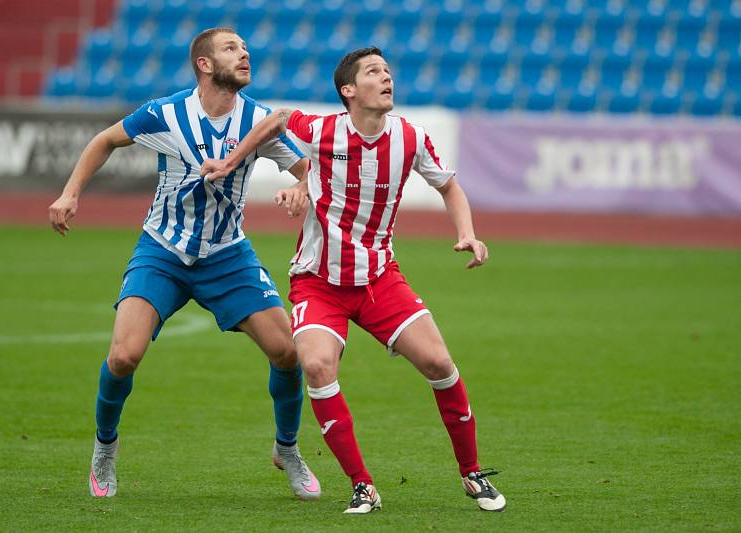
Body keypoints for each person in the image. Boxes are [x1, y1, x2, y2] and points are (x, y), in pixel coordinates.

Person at [199, 47, 506, 514]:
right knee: (318, 367)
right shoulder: (322, 130)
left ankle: (471, 473)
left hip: (380, 280)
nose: (386, 78)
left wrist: (467, 232)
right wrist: (231, 161)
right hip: (318, 282)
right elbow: (277, 118)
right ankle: (362, 485)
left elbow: (448, 185)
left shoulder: (410, 137)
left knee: (440, 364)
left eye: (388, 71)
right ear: (348, 90)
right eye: (373, 72)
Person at [48, 27, 321, 501]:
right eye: (232, 48)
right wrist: (70, 192)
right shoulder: (167, 113)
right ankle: (104, 449)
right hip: (162, 251)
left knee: (287, 352)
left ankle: (287, 448)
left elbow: (306, 168)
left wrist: (301, 187)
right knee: (123, 356)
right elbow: (104, 140)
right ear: (204, 63)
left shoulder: (256, 120)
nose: (245, 53)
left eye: (244, 47)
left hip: (228, 255)